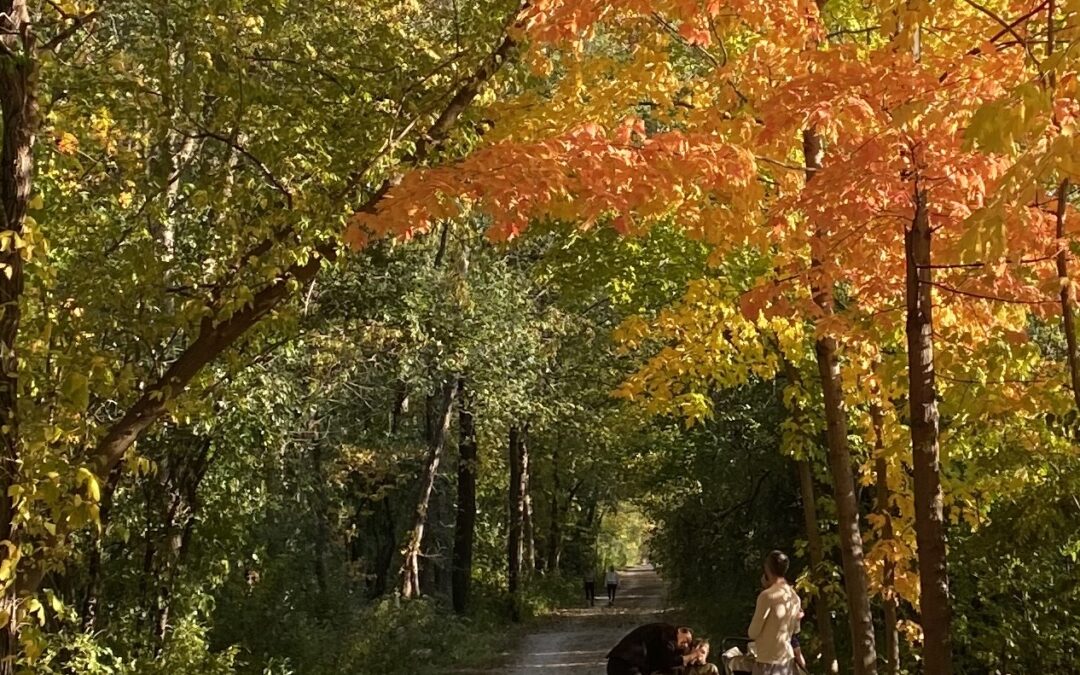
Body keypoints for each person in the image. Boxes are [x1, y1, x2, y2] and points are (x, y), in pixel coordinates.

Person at [747, 550, 802, 675]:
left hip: (767, 661)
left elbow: (753, 632)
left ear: (767, 568)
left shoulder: (767, 596)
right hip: (786, 661)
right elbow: (796, 630)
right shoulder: (794, 597)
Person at [606, 623, 703, 675]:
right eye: (686, 640)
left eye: (688, 643)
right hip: (625, 664)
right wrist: (692, 655)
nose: (685, 645)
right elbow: (669, 660)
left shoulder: (663, 638)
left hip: (619, 663)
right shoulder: (668, 632)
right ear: (680, 630)